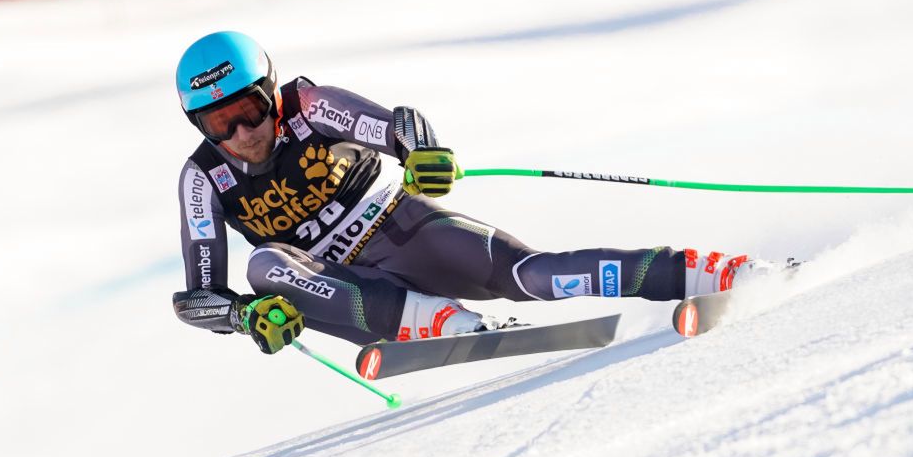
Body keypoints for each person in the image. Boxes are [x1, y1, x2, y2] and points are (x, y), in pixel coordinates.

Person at [172, 31, 752, 354]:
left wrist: (424, 154)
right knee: (265, 267)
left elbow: (399, 127)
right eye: (219, 124)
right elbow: (199, 297)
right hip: (340, 289)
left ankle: (709, 272)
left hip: (402, 230)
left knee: (533, 276)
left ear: (270, 94)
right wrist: (247, 317)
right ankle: (445, 323)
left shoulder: (310, 106)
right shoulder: (202, 180)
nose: (242, 135)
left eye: (248, 111)